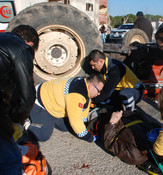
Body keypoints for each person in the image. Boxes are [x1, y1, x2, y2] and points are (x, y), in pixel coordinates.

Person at [0, 25, 39, 174]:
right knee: (11, 159)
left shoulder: (4, 41)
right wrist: (17, 121)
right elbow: (27, 97)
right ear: (31, 44)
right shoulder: (22, 49)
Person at [27, 74, 104, 143]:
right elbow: (75, 120)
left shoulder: (83, 83)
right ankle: (27, 124)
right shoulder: (76, 95)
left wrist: (84, 123)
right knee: (42, 136)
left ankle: (47, 121)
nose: (99, 94)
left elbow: (86, 105)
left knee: (66, 127)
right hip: (40, 102)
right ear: (91, 86)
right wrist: (88, 137)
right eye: (98, 91)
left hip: (53, 102)